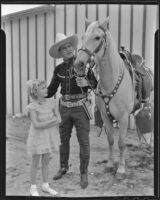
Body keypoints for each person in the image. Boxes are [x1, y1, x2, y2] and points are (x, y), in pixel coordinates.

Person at [47, 33, 98, 189]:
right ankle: (63, 167)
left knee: (83, 141)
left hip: (81, 108)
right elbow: (51, 90)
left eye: (69, 46)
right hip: (64, 108)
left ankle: (83, 172)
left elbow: (95, 85)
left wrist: (88, 82)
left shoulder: (84, 64)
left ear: (73, 47)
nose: (68, 49)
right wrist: (37, 92)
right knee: (63, 140)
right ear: (60, 53)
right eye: (64, 48)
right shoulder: (58, 69)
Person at [26, 79, 60, 196]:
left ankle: (45, 185)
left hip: (49, 136)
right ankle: (33, 187)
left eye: (46, 87)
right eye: (43, 88)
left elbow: (59, 119)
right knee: (35, 162)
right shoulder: (32, 107)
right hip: (37, 138)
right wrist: (52, 121)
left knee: (46, 161)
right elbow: (36, 125)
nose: (46, 89)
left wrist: (51, 122)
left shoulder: (52, 103)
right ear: (35, 92)